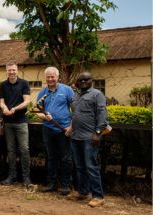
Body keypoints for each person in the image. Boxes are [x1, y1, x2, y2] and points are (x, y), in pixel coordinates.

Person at [66, 72, 108, 207]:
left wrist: (97, 133)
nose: (83, 81)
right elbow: (75, 115)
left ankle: (98, 196)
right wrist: (71, 128)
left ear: (92, 80)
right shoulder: (75, 95)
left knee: (91, 166)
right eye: (81, 80)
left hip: (90, 137)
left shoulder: (97, 94)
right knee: (79, 166)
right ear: (77, 82)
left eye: (86, 79)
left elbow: (102, 114)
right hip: (75, 136)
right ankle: (83, 192)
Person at [36, 67, 74, 195]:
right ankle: (51, 184)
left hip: (64, 130)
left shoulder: (67, 90)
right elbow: (38, 113)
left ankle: (65, 185)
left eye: (53, 77)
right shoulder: (42, 93)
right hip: (48, 129)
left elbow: (75, 110)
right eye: (48, 77)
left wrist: (71, 127)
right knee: (51, 157)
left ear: (58, 77)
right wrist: (44, 116)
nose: (50, 79)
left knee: (66, 158)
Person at [0, 62, 32, 186]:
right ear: (6, 71)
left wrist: (14, 109)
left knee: (24, 149)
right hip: (8, 123)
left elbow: (27, 101)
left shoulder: (24, 83)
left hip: (21, 122)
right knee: (11, 150)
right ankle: (12, 176)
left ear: (17, 71)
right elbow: (1, 101)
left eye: (13, 70)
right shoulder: (3, 85)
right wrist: (4, 108)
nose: (11, 72)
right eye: (9, 70)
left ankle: (26, 178)